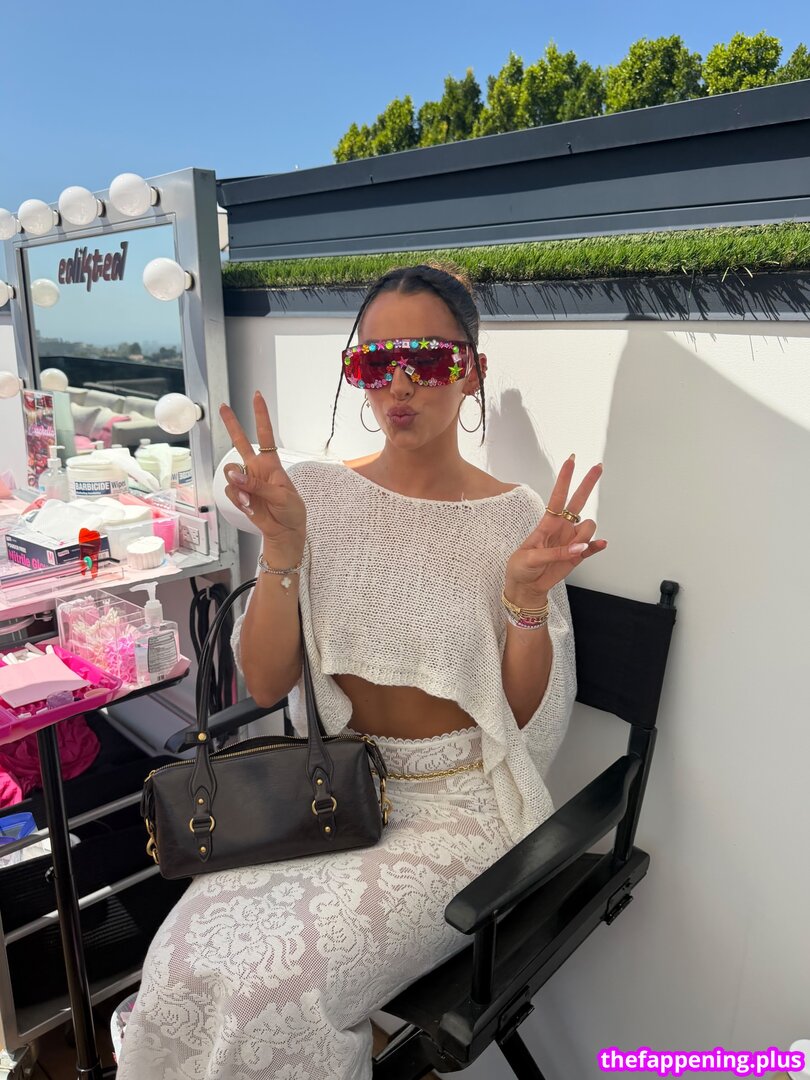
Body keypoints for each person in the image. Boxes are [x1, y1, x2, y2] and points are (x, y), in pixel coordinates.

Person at [113, 263, 606, 1079]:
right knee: (178, 958)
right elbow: (265, 685)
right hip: (331, 790)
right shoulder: (316, 495)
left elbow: (521, 719)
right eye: (375, 362)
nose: (399, 383)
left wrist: (523, 599)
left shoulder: (516, 517)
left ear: (473, 370)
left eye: (428, 359)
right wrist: (282, 549)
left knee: (278, 989)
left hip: (461, 808)